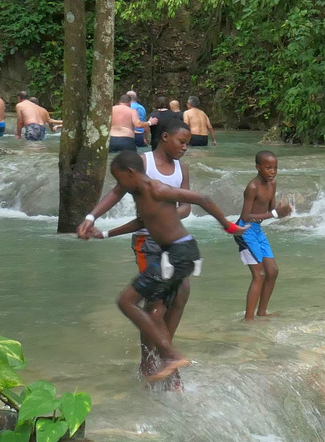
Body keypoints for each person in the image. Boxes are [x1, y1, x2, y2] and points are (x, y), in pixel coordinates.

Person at [80, 148, 243, 382]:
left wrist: (227, 226)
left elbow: (202, 199)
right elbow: (140, 220)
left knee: (126, 301)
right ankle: (164, 371)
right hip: (177, 254)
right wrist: (105, 234)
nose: (119, 185)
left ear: (130, 173)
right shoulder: (139, 192)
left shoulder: (157, 189)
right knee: (154, 309)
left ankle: (168, 355)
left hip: (179, 253)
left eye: (119, 179)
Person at [80, 118, 200, 379]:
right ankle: (150, 361)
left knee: (180, 295)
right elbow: (116, 192)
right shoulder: (141, 163)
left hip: (173, 242)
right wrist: (91, 218)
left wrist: (162, 213)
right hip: (147, 242)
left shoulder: (182, 169)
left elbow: (187, 207)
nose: (184, 148)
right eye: (181, 142)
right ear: (165, 137)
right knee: (155, 304)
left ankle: (166, 355)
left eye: (187, 144)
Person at [236, 150, 295, 320]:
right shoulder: (252, 187)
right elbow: (246, 216)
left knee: (273, 271)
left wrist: (281, 210)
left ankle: (262, 312)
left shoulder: (272, 184)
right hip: (244, 231)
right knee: (258, 274)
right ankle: (248, 319)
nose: (272, 172)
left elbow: (271, 209)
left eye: (275, 168)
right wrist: (276, 214)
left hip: (257, 230)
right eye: (268, 168)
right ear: (258, 167)